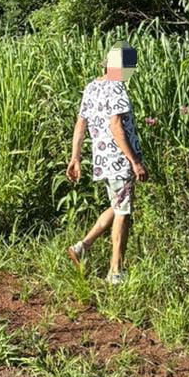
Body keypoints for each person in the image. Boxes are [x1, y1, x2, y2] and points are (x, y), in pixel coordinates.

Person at [65, 44, 147, 285]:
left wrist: (75, 157)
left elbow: (81, 124)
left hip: (102, 160)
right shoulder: (116, 86)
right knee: (123, 212)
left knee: (117, 205)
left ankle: (82, 247)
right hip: (119, 160)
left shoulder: (92, 87)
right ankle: (115, 272)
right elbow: (116, 126)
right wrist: (135, 161)